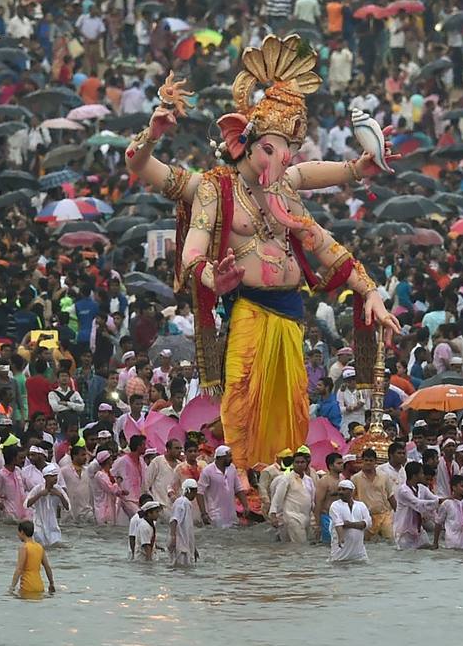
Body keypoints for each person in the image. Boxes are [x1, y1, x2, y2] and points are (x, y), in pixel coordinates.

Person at [127, 35, 400, 470]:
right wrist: (151, 137)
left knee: (293, 406)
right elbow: (155, 189)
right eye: (271, 149)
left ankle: (281, 475)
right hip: (249, 310)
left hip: (292, 315)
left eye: (289, 151)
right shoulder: (215, 187)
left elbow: (326, 243)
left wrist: (370, 292)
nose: (281, 159)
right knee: (240, 396)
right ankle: (241, 477)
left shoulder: (286, 187)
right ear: (243, 140)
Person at [24, 464, 70, 546]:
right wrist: (39, 495)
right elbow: (26, 504)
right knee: (40, 547)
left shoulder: (59, 489)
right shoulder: (37, 489)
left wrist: (60, 495)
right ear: (45, 477)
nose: (55, 478)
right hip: (38, 525)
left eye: (56, 475)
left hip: (53, 525)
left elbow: (67, 507)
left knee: (56, 546)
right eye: (52, 476)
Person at [9, 519, 56, 596]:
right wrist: (51, 583)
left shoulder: (24, 548)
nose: (18, 535)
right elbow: (47, 567)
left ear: (22, 532)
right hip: (39, 586)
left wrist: (12, 588)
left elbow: (19, 569)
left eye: (18, 532)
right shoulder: (39, 547)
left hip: (27, 587)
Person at [328, 479, 370, 563]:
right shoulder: (335, 505)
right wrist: (341, 538)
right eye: (339, 489)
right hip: (340, 552)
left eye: (344, 489)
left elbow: (367, 524)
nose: (341, 492)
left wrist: (349, 524)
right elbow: (338, 523)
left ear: (352, 491)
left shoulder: (361, 505)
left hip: (359, 554)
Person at [168, 479, 199, 567]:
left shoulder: (187, 503)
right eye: (194, 492)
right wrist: (173, 539)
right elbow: (174, 520)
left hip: (185, 544)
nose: (195, 494)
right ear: (189, 491)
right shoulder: (181, 502)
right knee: (179, 569)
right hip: (180, 544)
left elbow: (188, 529)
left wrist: (193, 548)